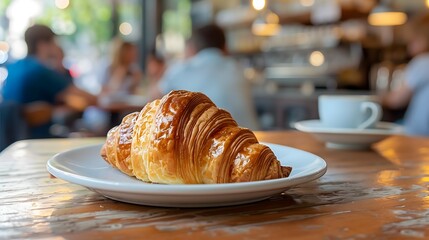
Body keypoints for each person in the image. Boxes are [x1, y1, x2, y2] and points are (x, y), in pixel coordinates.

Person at [151, 24, 259, 130]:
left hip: (211, 143)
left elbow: (152, 100)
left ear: (192, 47)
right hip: (254, 138)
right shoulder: (239, 69)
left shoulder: (183, 69)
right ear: (225, 47)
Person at [1, 24, 96, 138]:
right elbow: (86, 97)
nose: (57, 46)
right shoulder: (40, 70)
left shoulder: (14, 67)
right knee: (91, 137)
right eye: (54, 42)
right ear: (42, 45)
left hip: (10, 139)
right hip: (35, 139)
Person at [383, 14, 429, 136]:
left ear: (423, 39)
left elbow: (397, 100)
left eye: (412, 41)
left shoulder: (422, 62)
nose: (409, 48)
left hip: (418, 134)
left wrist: (379, 98)